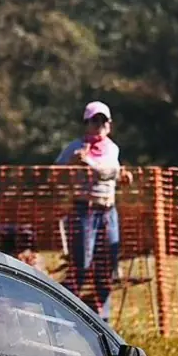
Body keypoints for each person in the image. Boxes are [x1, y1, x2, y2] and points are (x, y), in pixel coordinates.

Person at [54, 101, 126, 323]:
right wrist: (72, 164)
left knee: (107, 266)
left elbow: (112, 174)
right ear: (86, 123)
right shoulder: (75, 148)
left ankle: (102, 320)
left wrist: (123, 178)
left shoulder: (113, 148)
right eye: (94, 121)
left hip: (108, 211)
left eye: (103, 121)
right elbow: (54, 175)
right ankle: (61, 313)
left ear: (110, 125)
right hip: (84, 212)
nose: (99, 125)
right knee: (81, 265)